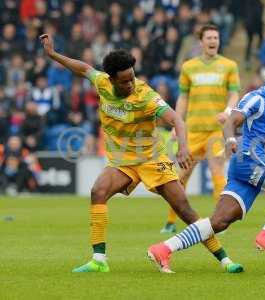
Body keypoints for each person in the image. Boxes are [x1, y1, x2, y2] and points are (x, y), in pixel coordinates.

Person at [39, 34, 243, 274]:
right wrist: (53, 55)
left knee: (184, 209)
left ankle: (224, 259)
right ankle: (99, 259)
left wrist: (183, 147)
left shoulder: (146, 96)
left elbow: (176, 119)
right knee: (98, 191)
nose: (130, 84)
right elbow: (83, 68)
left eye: (132, 78)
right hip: (122, 161)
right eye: (124, 81)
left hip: (151, 159)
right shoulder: (102, 82)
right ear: (112, 79)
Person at [148, 54, 265, 272]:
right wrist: (231, 139)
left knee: (219, 221)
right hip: (248, 157)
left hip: (257, 164)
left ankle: (164, 248)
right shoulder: (257, 98)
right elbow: (231, 121)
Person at [160, 24, 240, 234]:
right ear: (201, 41)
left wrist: (228, 110)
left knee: (217, 172)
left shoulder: (229, 65)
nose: (213, 41)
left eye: (216, 37)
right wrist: (178, 123)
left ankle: (220, 222)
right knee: (180, 178)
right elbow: (183, 97)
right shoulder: (189, 67)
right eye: (209, 37)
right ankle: (170, 221)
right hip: (193, 131)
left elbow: (234, 93)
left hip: (216, 131)